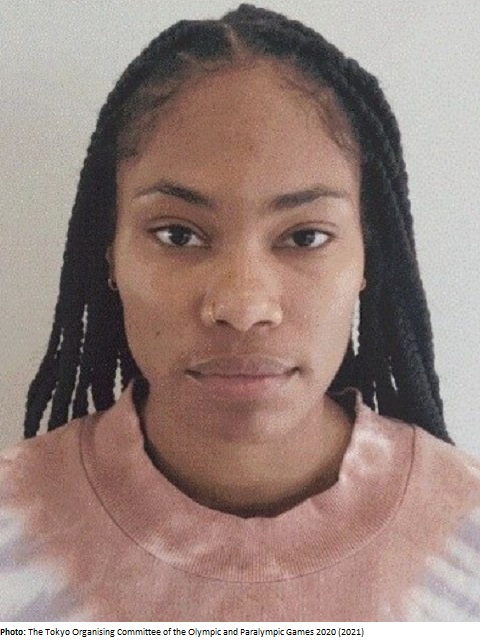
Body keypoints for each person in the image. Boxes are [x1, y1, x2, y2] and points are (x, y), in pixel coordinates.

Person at [1, 3, 479, 623]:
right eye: (178, 235)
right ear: (110, 253)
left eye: (305, 236)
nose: (244, 307)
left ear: (368, 257)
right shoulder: (14, 525)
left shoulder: (465, 539)